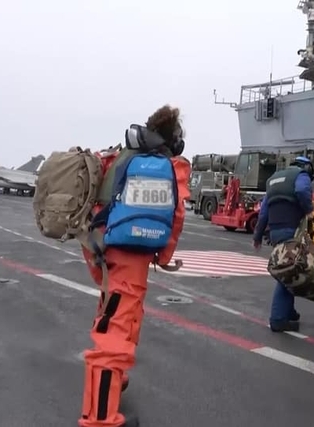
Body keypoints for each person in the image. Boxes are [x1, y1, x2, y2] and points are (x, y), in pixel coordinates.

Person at [79, 106, 190, 427]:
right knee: (117, 329)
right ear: (173, 139)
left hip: (99, 246)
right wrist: (165, 258)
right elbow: (176, 217)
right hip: (130, 255)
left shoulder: (119, 155)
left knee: (111, 312)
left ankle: (115, 378)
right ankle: (100, 417)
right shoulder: (167, 166)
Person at [253, 156, 314, 332]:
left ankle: (289, 312)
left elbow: (264, 212)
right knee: (287, 273)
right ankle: (278, 319)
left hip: (275, 233)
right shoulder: (301, 175)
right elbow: (302, 190)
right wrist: (309, 210)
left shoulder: (274, 179)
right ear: (305, 166)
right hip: (291, 230)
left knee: (289, 268)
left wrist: (257, 236)